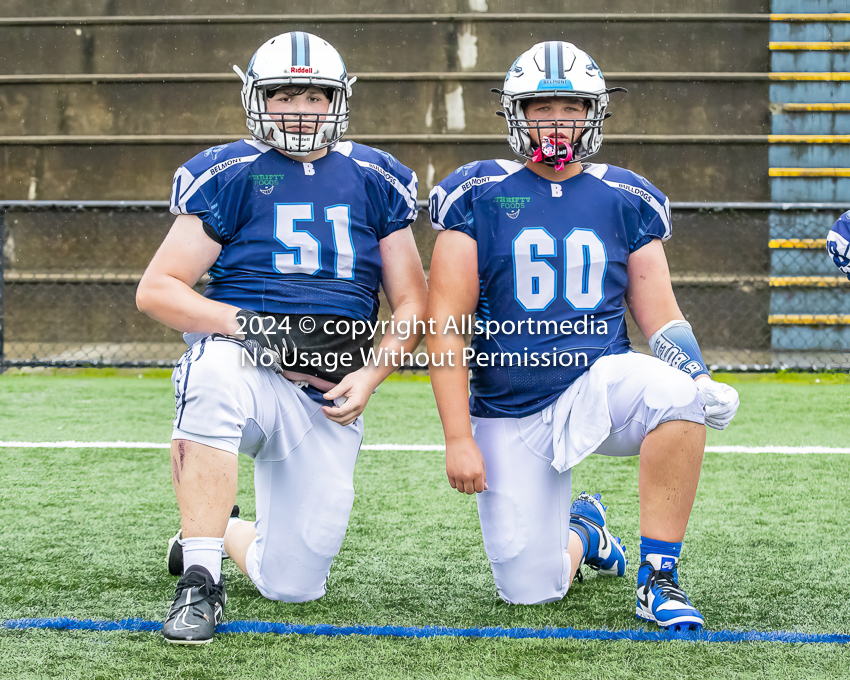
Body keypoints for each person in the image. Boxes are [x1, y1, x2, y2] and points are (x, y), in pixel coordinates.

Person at [426, 41, 740, 630]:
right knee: (529, 591)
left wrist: (697, 375)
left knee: (677, 396)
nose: (556, 121)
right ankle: (584, 530)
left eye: (570, 106)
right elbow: (446, 326)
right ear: (514, 113)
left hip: (599, 381)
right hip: (508, 405)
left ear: (594, 112)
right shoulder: (474, 193)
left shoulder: (626, 195)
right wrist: (457, 436)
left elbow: (662, 316)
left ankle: (658, 579)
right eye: (541, 107)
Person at [136, 31, 427, 644]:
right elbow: (159, 288)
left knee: (292, 583)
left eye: (315, 94)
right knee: (212, 372)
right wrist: (249, 327)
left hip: (325, 391)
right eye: (284, 94)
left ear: (339, 101)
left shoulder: (376, 176)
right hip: (247, 370)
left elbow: (412, 302)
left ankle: (212, 533)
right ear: (255, 99)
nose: (300, 109)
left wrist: (371, 376)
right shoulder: (229, 171)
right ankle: (199, 579)